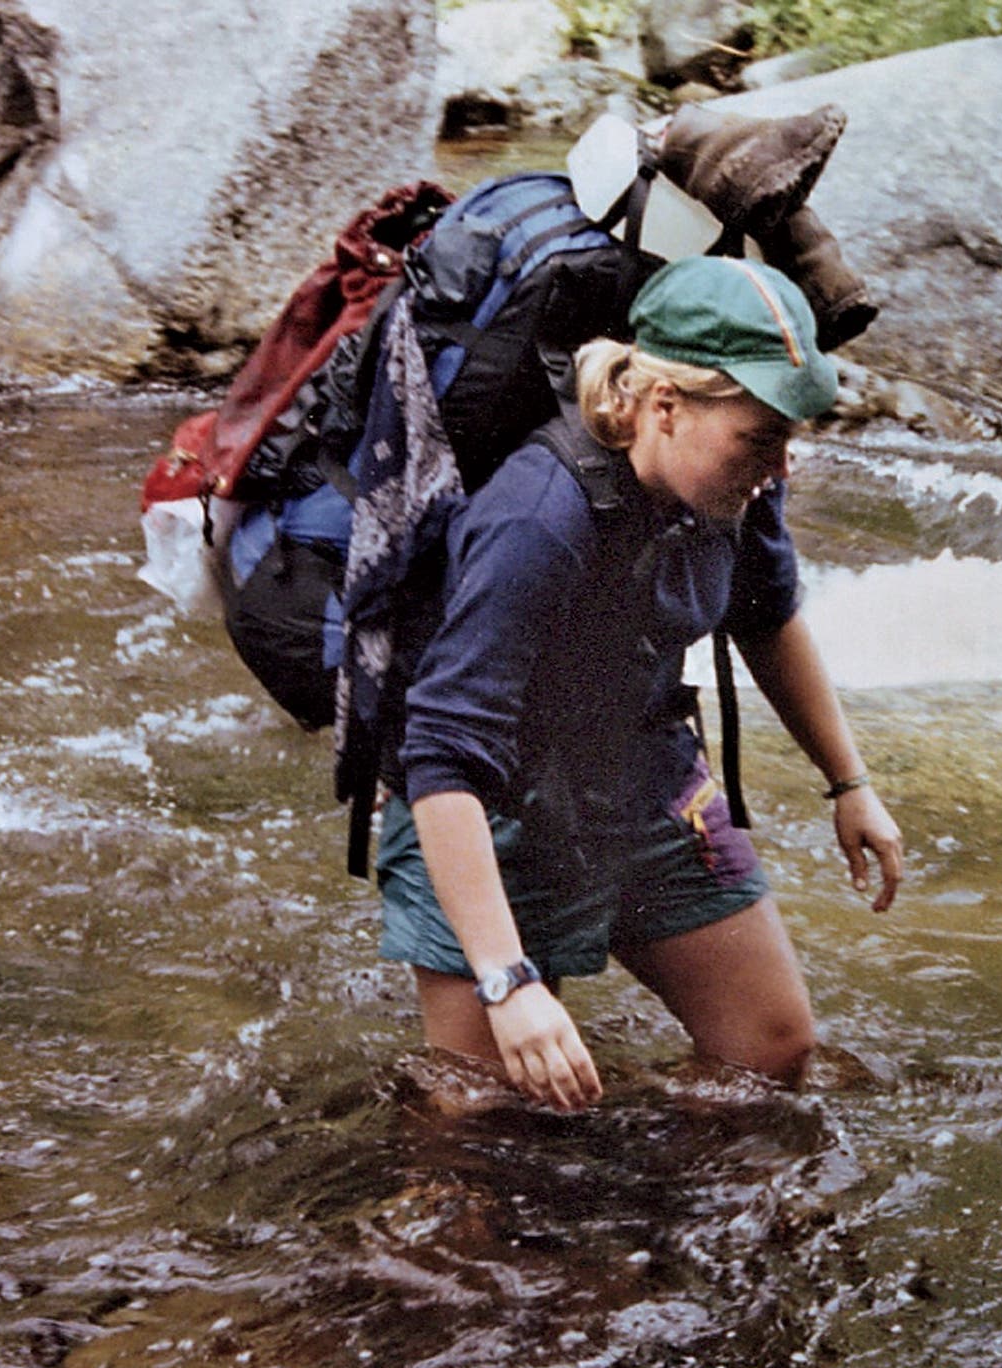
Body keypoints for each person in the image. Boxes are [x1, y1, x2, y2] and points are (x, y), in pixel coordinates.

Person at [376, 255, 903, 1113]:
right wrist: (509, 984)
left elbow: (768, 617)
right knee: (485, 1122)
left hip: (648, 784)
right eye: (761, 436)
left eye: (787, 437)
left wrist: (850, 784)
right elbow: (441, 758)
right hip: (495, 819)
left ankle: (633, 1157)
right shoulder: (538, 516)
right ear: (663, 406)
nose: (781, 465)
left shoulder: (740, 487)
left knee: (770, 1052)